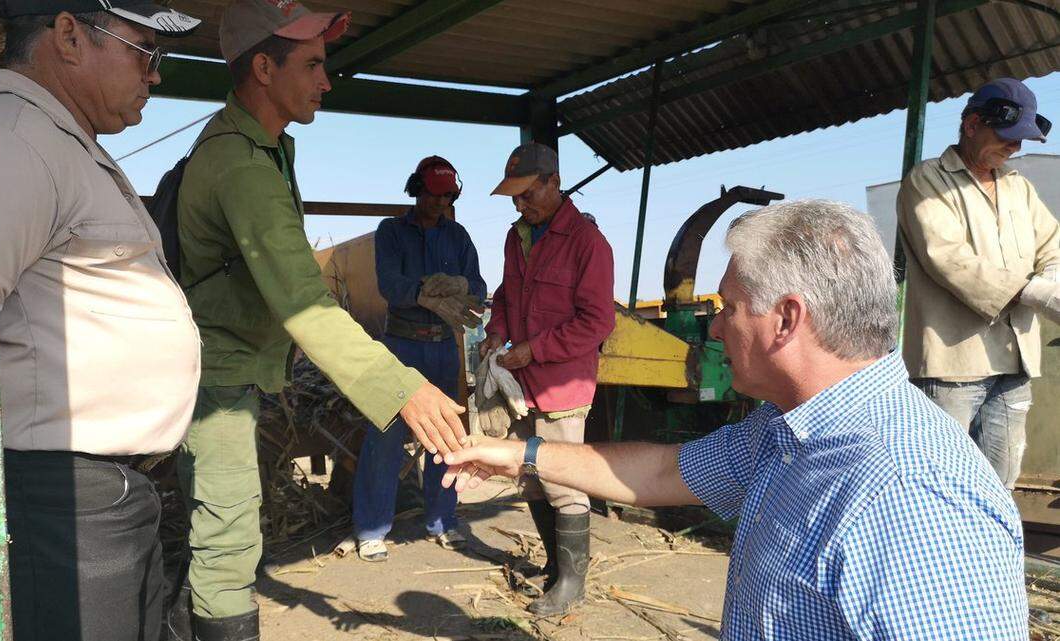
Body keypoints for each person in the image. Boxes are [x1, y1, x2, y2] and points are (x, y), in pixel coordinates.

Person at [445, 200, 1028, 640]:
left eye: (728, 308)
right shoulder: (787, 429)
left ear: (787, 319)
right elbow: (662, 472)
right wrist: (519, 455)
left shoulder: (911, 498)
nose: (717, 328)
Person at [174, 2, 469, 637]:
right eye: (312, 65)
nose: (326, 82)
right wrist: (403, 389)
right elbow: (306, 302)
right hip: (221, 380)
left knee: (229, 536)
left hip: (243, 371)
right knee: (227, 550)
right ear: (263, 68)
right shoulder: (243, 166)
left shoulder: (265, 151)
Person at [0, 2, 202, 640]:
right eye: (145, 50)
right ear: (70, 35)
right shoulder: (17, 144)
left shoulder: (59, 144)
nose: (154, 74)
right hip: (60, 499)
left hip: (98, 494)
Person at [897, 77, 1060, 489]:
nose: (1014, 147)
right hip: (953, 365)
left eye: (1021, 139)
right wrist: (1037, 292)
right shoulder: (926, 181)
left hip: (1015, 361)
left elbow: (1052, 247)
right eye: (1007, 136)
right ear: (972, 125)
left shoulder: (1019, 188)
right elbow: (949, 259)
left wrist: (1052, 282)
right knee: (940, 483)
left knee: (1000, 484)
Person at [480, 142, 615, 616]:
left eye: (528, 194)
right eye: (514, 197)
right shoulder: (516, 237)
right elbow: (505, 295)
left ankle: (573, 584)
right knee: (531, 478)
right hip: (521, 384)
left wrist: (534, 350)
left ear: (554, 182)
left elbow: (597, 322)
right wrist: (495, 332)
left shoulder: (587, 241)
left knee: (564, 481)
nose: (520, 204)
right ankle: (558, 568)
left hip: (562, 385)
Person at [351, 156, 487, 562]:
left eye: (448, 197)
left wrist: (461, 284)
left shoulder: (458, 236)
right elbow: (390, 285)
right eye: (434, 195)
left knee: (445, 435)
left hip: (443, 347)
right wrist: (423, 293)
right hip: (402, 346)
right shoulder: (391, 231)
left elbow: (478, 288)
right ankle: (372, 530)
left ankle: (443, 521)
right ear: (416, 190)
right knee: (386, 435)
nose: (440, 203)